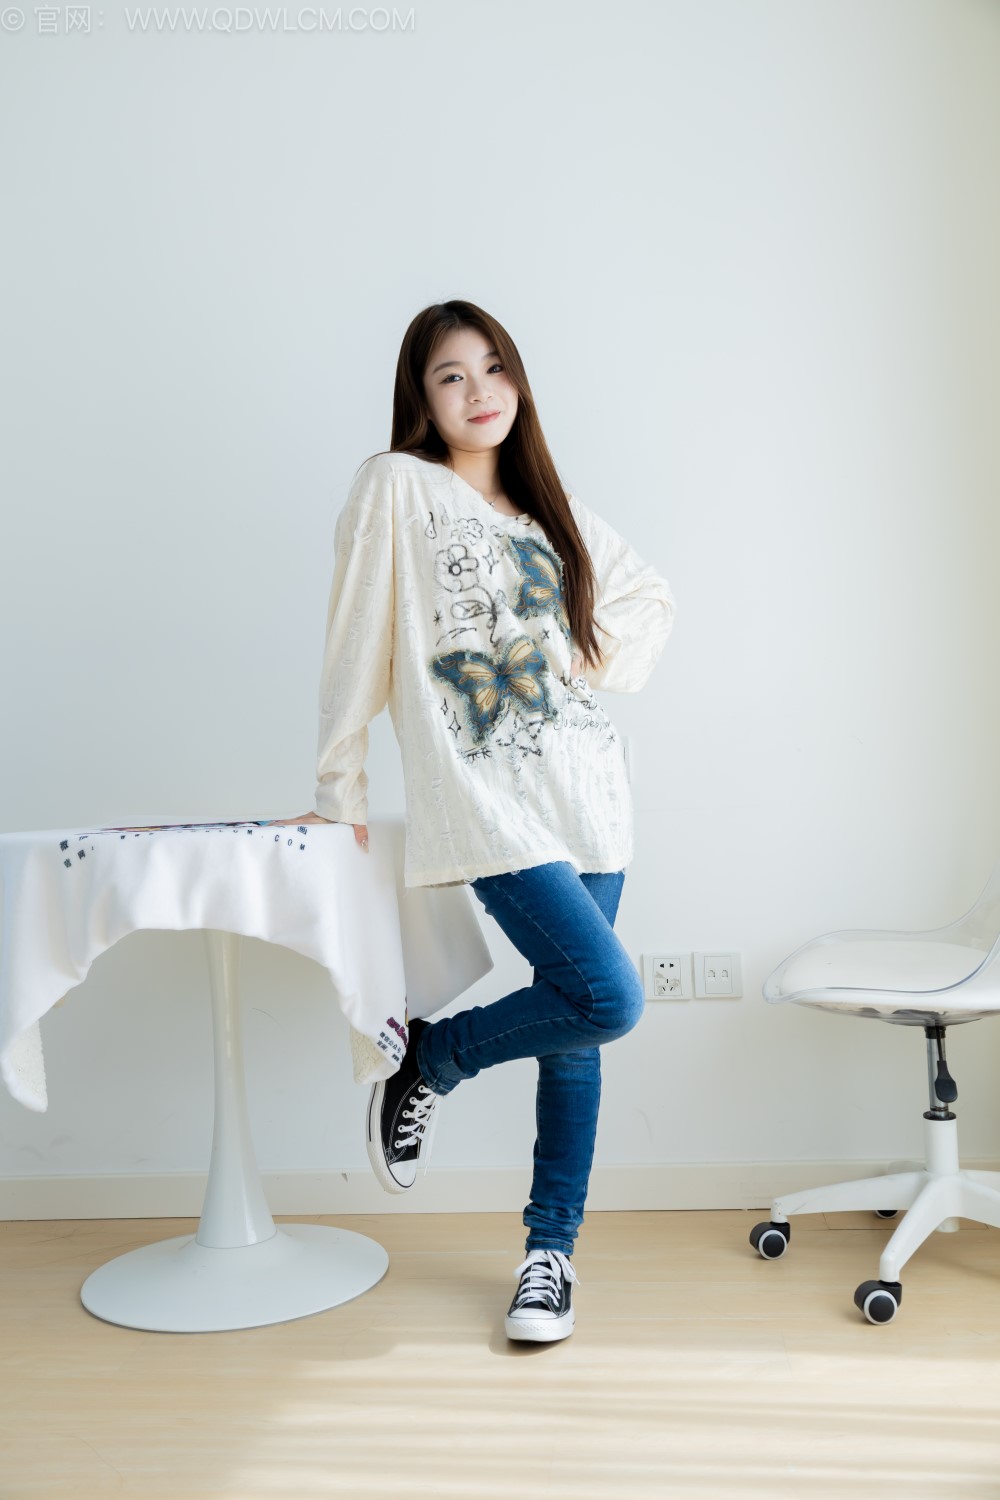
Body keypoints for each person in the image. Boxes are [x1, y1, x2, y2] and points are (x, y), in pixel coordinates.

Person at [275, 299, 676, 1342]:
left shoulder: (553, 512)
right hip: (486, 796)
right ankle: (431, 1059)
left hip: (590, 796)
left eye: (494, 367)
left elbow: (650, 600)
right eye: (451, 375)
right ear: (422, 398)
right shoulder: (397, 487)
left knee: (576, 1030)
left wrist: (579, 653)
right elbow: (354, 642)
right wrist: (338, 793)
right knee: (607, 997)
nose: (479, 390)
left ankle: (549, 1257)